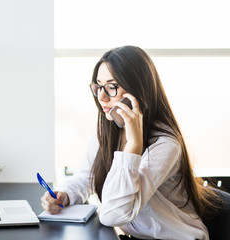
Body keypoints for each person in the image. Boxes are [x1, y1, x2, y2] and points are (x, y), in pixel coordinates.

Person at [41, 46, 220, 240]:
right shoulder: (108, 127)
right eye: (98, 86)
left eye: (111, 86)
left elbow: (113, 214)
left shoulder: (166, 144)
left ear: (137, 89)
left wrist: (133, 145)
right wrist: (64, 195)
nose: (101, 97)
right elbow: (86, 178)